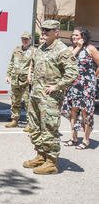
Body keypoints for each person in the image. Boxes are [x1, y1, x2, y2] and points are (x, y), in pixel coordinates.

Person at [23, 20, 78, 175]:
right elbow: (34, 65)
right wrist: (31, 77)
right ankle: (41, 155)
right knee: (35, 127)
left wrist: (57, 86)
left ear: (57, 32)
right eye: (43, 29)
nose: (44, 32)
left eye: (48, 30)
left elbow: (73, 73)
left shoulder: (62, 50)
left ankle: (51, 162)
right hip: (35, 95)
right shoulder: (41, 48)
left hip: (50, 97)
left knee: (49, 128)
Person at [61, 27, 99, 150]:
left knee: (85, 112)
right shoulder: (71, 49)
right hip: (73, 85)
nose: (73, 37)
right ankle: (74, 138)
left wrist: (94, 76)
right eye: (73, 35)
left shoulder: (90, 48)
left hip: (87, 86)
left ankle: (86, 140)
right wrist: (77, 47)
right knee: (72, 111)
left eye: (77, 35)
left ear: (83, 36)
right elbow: (66, 61)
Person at [5, 32, 35, 129]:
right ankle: (14, 120)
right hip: (15, 79)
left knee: (28, 102)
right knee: (15, 101)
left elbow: (35, 65)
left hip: (26, 81)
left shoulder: (34, 51)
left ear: (30, 39)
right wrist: (8, 75)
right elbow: (11, 63)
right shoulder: (17, 50)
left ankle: (29, 123)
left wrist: (32, 76)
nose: (24, 40)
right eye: (23, 39)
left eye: (26, 39)